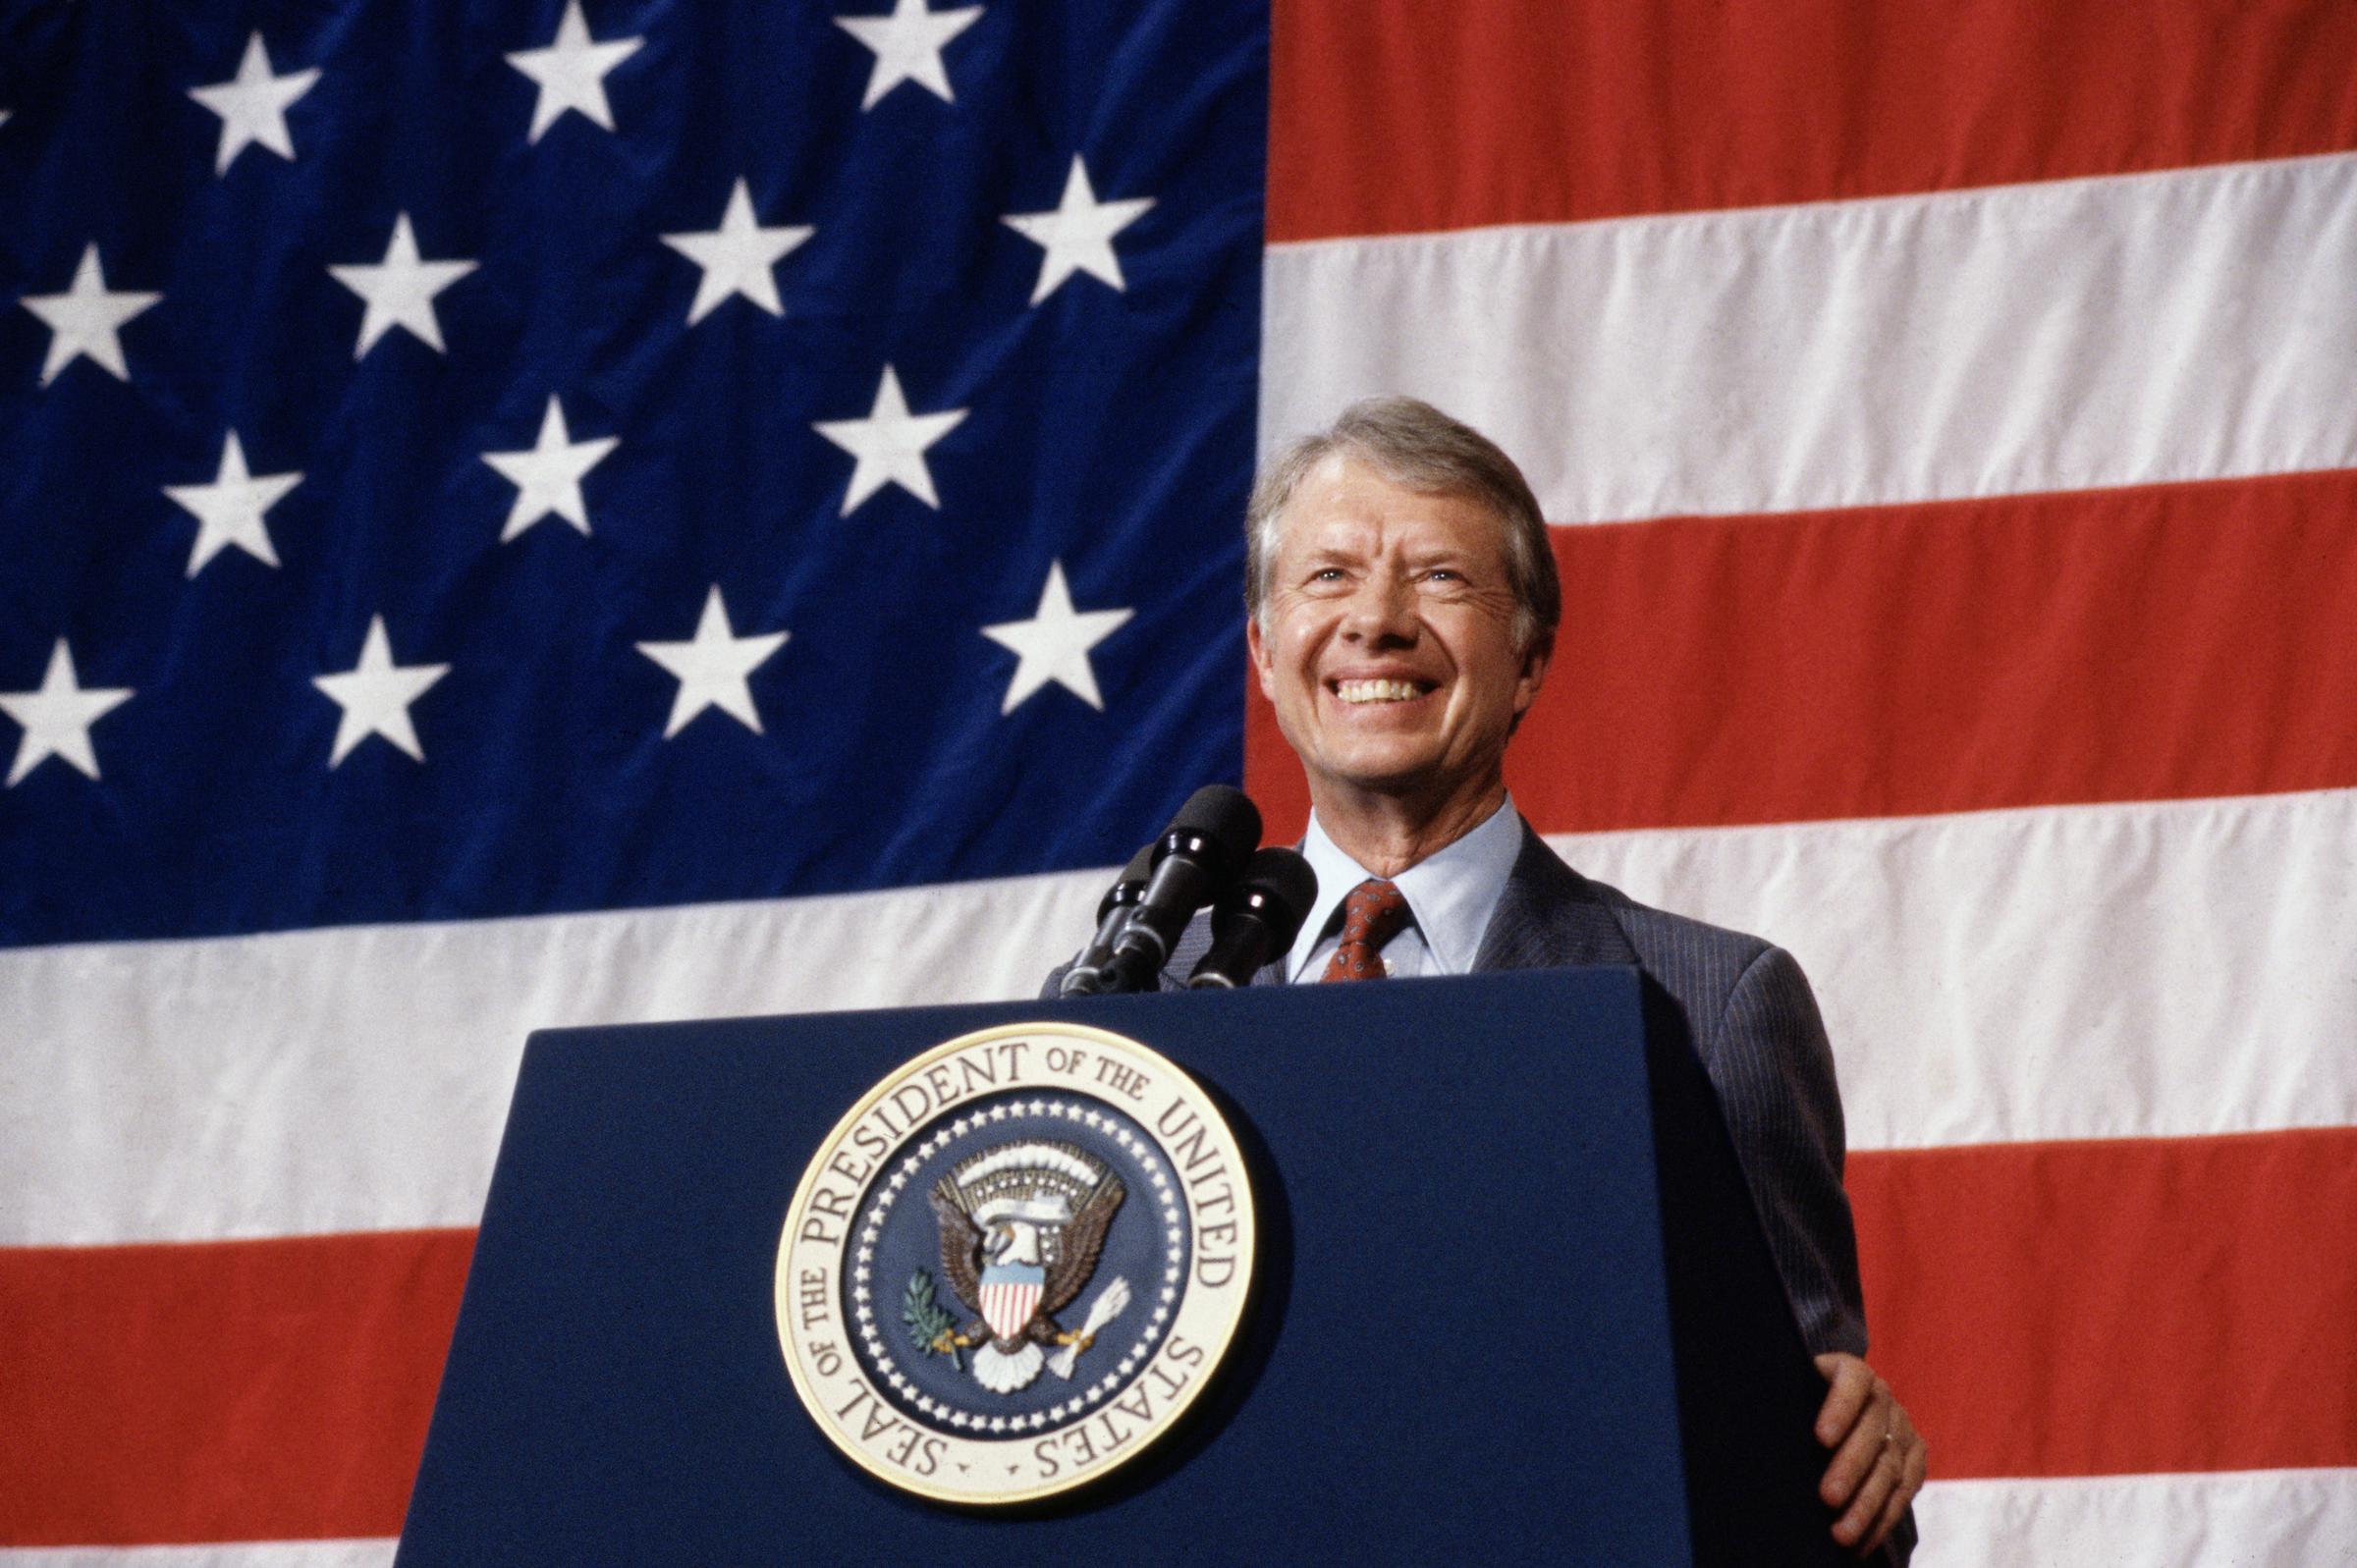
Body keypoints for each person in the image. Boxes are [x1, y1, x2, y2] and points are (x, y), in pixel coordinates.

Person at [1077, 397, 1926, 1557]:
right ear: (1267, 653)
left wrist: (1844, 1453)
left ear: (1528, 659)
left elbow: (1816, 1473)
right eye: (1328, 577)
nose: (1377, 622)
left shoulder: (1711, 1004)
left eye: (1437, 579)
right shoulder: (1132, 1002)